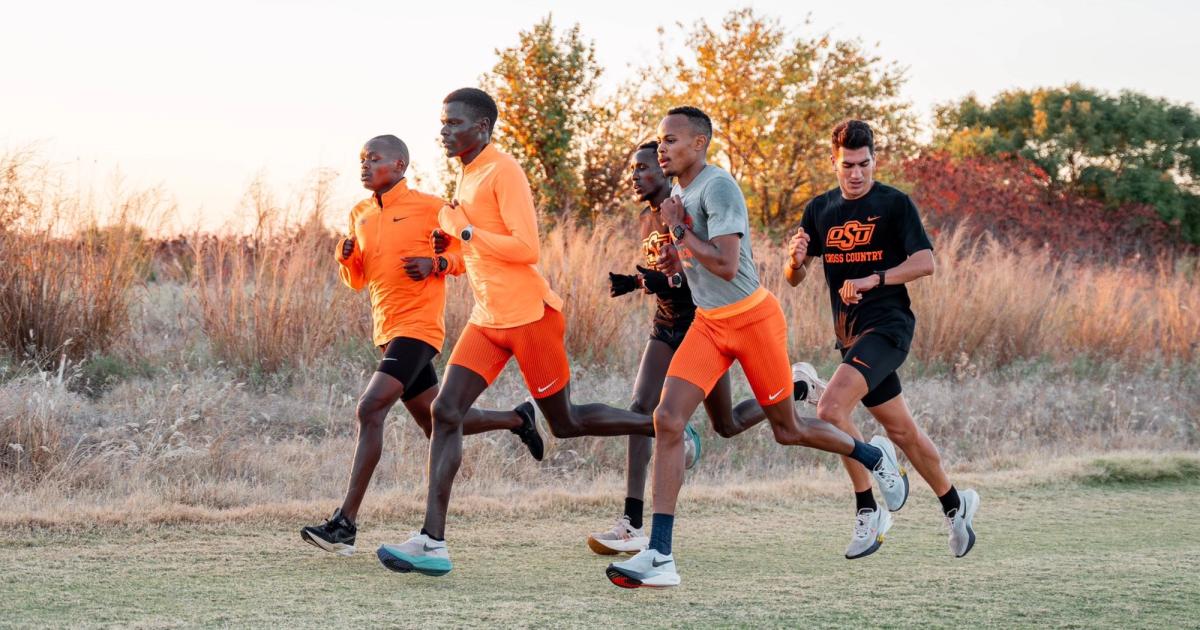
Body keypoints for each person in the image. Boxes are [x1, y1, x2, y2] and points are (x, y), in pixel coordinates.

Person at [375, 89, 700, 577]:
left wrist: (463, 231)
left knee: (564, 423)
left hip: (530, 316)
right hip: (488, 319)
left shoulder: (503, 170)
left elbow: (525, 248)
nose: (444, 131)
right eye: (442, 123)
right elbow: (477, 252)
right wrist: (448, 252)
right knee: (445, 410)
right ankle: (432, 541)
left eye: (453, 123)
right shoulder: (466, 174)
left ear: (481, 128)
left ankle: (668, 427)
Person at [606, 107, 909, 589]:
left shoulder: (718, 187)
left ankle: (874, 459)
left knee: (787, 429)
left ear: (699, 142)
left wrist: (680, 231)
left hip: (752, 320)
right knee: (666, 419)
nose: (661, 148)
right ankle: (660, 554)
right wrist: (673, 263)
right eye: (659, 141)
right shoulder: (681, 192)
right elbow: (698, 265)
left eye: (670, 140)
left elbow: (728, 265)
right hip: (708, 324)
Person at [300, 135, 542, 557]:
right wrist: (345, 258)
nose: (365, 165)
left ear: (399, 166)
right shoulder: (359, 213)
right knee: (438, 423)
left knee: (369, 408)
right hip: (387, 330)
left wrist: (438, 263)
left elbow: (468, 256)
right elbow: (358, 280)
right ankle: (517, 419)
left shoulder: (433, 208)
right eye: (361, 159)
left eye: (374, 159)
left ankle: (345, 524)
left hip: (419, 327)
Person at [587, 140, 827, 555]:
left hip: (706, 325)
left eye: (644, 168)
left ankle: (792, 388)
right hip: (666, 327)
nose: (636, 176)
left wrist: (670, 275)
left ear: (668, 171)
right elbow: (666, 271)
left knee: (726, 424)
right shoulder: (648, 219)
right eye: (635, 168)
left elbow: (704, 270)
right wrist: (638, 282)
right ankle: (632, 521)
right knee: (644, 409)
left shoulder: (689, 207)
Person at [788, 119, 979, 559]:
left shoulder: (894, 204)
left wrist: (875, 279)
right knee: (902, 430)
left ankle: (869, 503)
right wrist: (794, 262)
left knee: (830, 408)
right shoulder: (820, 209)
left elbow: (926, 262)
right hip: (849, 334)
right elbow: (794, 280)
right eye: (847, 165)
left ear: (874, 159)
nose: (856, 173)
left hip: (889, 326)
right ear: (833, 163)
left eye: (864, 164)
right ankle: (956, 505)